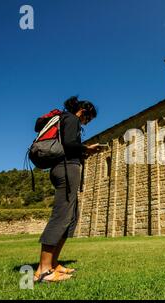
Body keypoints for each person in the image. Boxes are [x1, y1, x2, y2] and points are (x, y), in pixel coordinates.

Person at [34, 96, 102, 283]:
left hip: (65, 167)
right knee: (62, 215)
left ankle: (54, 264)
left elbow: (68, 145)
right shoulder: (71, 119)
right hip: (65, 169)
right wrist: (86, 148)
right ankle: (44, 270)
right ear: (82, 111)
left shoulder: (66, 120)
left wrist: (81, 152)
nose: (87, 122)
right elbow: (70, 145)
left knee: (71, 217)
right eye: (88, 118)